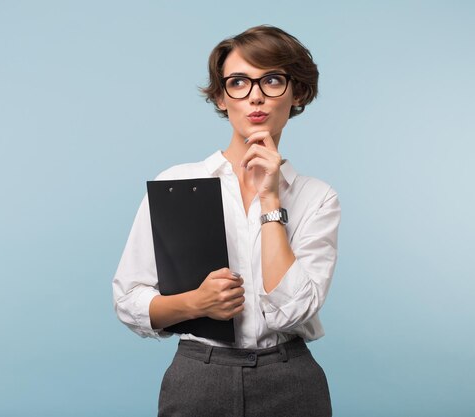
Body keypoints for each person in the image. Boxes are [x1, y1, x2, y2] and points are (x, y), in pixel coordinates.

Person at [113, 25, 340, 417]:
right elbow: (129, 299)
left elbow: (294, 311)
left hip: (291, 380)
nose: (255, 95)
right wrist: (194, 303)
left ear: (297, 91)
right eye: (238, 82)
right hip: (198, 377)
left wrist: (271, 198)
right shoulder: (177, 184)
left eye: (271, 80)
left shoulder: (317, 197)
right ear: (220, 97)